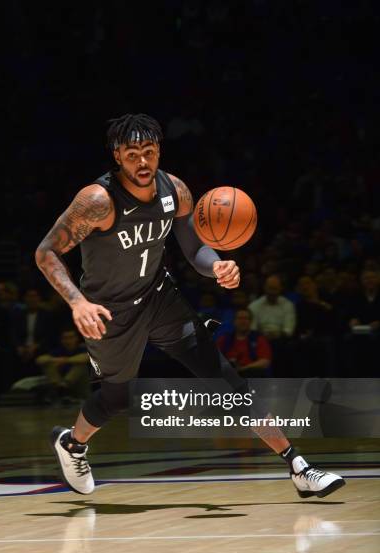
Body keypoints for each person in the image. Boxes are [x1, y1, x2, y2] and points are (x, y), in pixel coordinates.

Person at [35, 113, 344, 497]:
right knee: (116, 397)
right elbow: (46, 252)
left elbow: (194, 247)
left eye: (149, 152)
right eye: (133, 154)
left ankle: (299, 466)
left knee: (225, 379)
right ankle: (72, 444)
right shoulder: (97, 201)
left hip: (159, 298)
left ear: (159, 151)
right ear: (117, 155)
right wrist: (77, 302)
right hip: (109, 311)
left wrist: (216, 266)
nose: (143, 162)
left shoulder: (175, 191)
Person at [36, 328, 90, 400]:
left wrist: (65, 360)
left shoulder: (82, 348)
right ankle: (59, 387)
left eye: (71, 337)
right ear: (61, 340)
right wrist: (55, 360)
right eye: (65, 338)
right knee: (48, 365)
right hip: (60, 386)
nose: (68, 341)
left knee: (80, 365)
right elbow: (40, 360)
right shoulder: (59, 351)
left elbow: (85, 358)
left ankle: (63, 386)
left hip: (79, 387)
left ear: (77, 338)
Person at [217, 308, 272, 376]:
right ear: (234, 321)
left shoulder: (259, 339)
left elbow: (265, 362)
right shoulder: (224, 339)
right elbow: (215, 358)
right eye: (240, 318)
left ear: (250, 321)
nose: (243, 321)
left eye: (246, 318)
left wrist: (243, 369)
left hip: (250, 374)